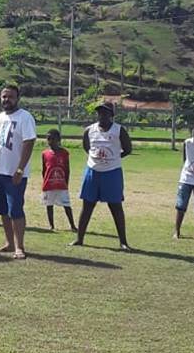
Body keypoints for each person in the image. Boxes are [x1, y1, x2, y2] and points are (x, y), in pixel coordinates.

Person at [0, 84, 36, 259]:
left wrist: (20, 169)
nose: (7, 100)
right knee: (3, 210)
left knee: (16, 210)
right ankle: (9, 243)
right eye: (4, 96)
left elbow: (29, 143)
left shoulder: (25, 117)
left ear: (17, 98)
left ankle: (20, 246)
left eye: (10, 97)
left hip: (15, 174)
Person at [70, 101, 133, 251]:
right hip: (92, 172)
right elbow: (87, 147)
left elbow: (128, 149)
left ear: (111, 115)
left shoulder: (119, 130)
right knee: (87, 205)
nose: (101, 115)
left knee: (116, 206)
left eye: (105, 113)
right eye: (99, 112)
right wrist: (97, 159)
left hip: (112, 173)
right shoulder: (89, 130)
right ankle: (79, 238)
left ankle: (123, 242)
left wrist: (113, 159)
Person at [41, 129, 77, 232]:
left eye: (53, 139)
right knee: (49, 205)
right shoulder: (45, 153)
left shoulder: (64, 153)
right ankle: (51, 225)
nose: (50, 141)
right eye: (48, 139)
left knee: (66, 205)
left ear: (59, 139)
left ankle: (72, 225)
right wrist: (45, 181)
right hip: (49, 184)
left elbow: (67, 169)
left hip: (61, 184)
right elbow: (44, 169)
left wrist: (67, 182)